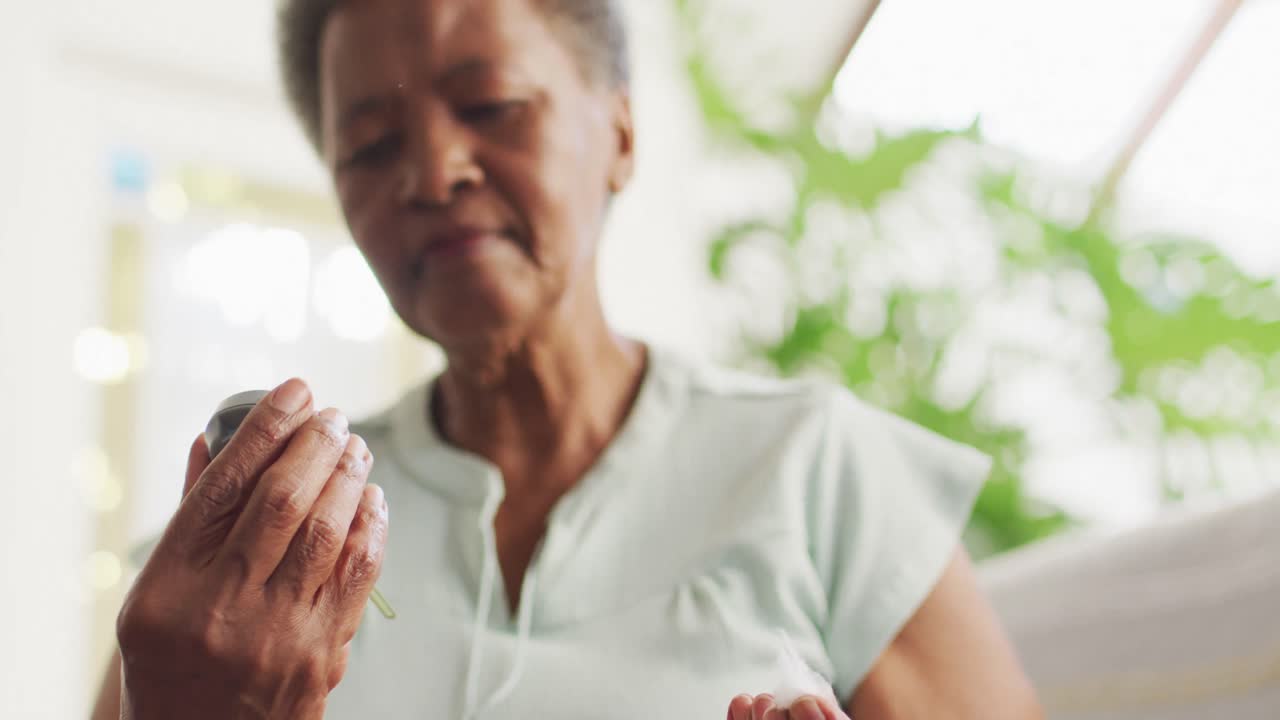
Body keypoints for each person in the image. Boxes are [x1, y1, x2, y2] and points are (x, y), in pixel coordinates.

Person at [93, 0, 1042, 717]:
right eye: (372, 146)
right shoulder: (239, 567)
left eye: (492, 105)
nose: (431, 174)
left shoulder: (823, 473)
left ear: (621, 135)